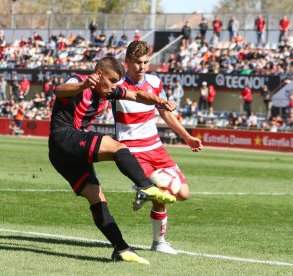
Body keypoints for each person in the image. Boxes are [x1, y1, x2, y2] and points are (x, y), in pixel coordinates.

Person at [48, 56, 177, 264]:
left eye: (117, 81)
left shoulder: (108, 91)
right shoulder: (79, 81)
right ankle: (144, 185)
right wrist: (83, 84)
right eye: (112, 79)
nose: (115, 85)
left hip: (63, 155)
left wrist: (159, 100)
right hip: (64, 138)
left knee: (97, 198)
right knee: (118, 147)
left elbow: (136, 95)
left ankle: (121, 248)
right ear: (98, 74)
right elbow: (59, 90)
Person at [115, 40, 203, 255]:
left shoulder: (154, 81)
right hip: (133, 151)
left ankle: (141, 188)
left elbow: (165, 112)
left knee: (183, 193)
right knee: (161, 196)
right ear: (126, 62)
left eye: (145, 62)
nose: (141, 67)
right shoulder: (117, 86)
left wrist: (187, 137)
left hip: (156, 146)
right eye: (136, 62)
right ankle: (159, 242)